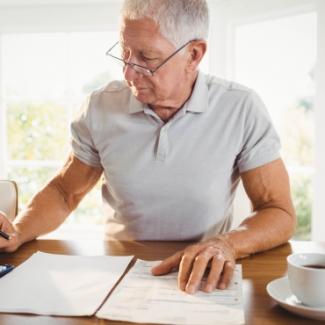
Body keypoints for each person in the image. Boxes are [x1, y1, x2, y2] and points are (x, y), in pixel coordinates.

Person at [0, 0, 296, 294]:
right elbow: (65, 192)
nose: (128, 73)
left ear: (194, 54)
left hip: (200, 273)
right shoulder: (100, 107)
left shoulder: (240, 107)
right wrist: (18, 231)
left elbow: (278, 211)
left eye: (147, 57)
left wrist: (226, 244)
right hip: (120, 271)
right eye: (124, 53)